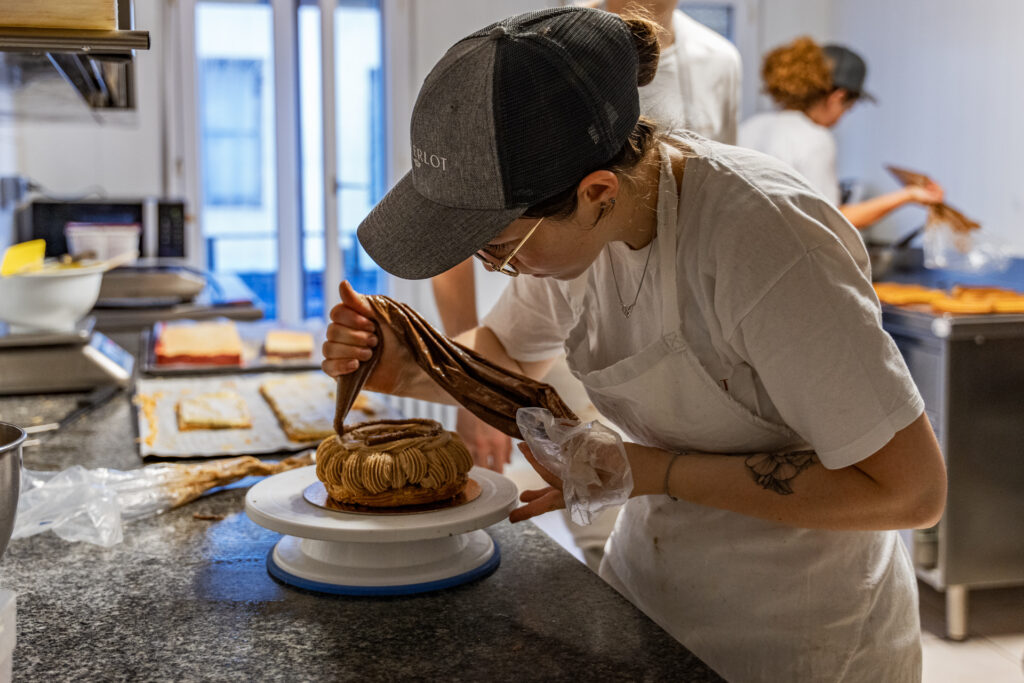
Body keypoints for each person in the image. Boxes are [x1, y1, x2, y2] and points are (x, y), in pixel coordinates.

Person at [323, 8, 946, 681]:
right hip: (651, 589)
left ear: (596, 192)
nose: (489, 264)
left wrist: (648, 469)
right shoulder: (576, 241)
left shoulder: (764, 242)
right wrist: (406, 364)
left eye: (499, 248)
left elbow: (910, 491)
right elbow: (503, 352)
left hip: (801, 628)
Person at [432, 0, 741, 475]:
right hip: (554, 313)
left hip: (685, 338)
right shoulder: (551, 41)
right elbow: (460, 214)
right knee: (597, 496)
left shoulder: (717, 59)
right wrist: (470, 383)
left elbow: (719, 198)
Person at [739, 36, 944, 229]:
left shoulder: (751, 126)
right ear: (838, 97)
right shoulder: (814, 139)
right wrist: (909, 196)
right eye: (848, 108)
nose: (842, 118)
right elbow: (833, 222)